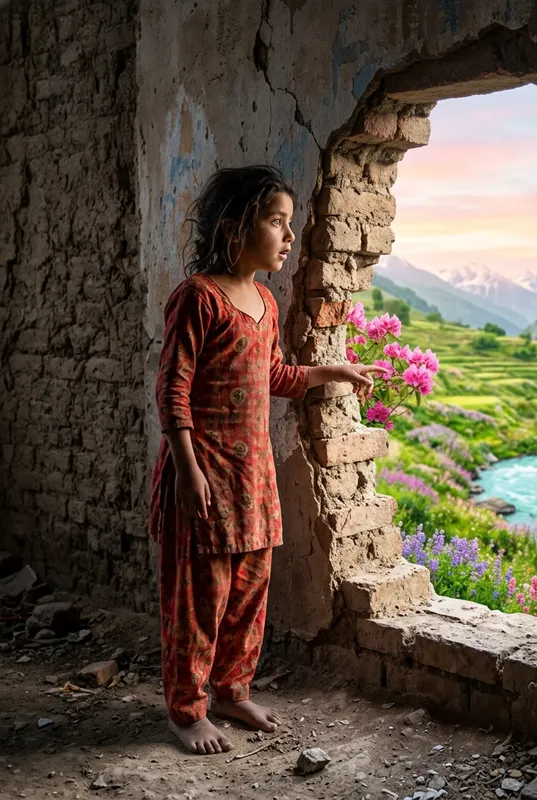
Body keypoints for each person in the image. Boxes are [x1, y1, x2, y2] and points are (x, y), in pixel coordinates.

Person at [149, 165, 384, 755]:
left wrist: (332, 371)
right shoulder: (197, 298)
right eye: (276, 222)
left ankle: (232, 690)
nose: (289, 235)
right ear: (235, 227)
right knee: (199, 599)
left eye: (289, 223)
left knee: (249, 593)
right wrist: (187, 470)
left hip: (253, 478)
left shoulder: (265, 302)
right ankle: (187, 710)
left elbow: (273, 373)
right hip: (202, 474)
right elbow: (172, 390)